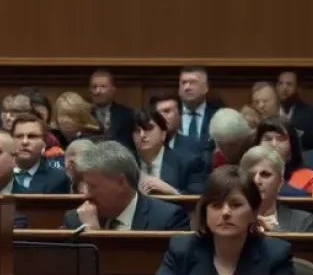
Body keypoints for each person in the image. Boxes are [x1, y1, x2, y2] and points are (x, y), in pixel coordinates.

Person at [154, 167, 295, 275]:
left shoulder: (276, 255)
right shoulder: (181, 250)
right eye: (216, 205)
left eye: (235, 205)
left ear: (254, 212)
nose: (226, 213)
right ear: (205, 213)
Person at [61, 141, 190, 231]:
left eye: (92, 186)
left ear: (120, 182)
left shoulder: (168, 219)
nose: (86, 194)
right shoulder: (76, 220)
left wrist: (95, 237)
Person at [239, 145, 313, 233]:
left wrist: (275, 230)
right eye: (251, 175)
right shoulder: (232, 218)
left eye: (265, 174)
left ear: (280, 182)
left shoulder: (304, 221)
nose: (257, 181)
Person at [131, 109, 205, 196]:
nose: (142, 135)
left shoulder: (189, 163)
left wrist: (173, 192)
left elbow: (197, 201)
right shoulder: (125, 164)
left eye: (148, 128)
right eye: (137, 130)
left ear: (163, 134)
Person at [255, 117, 313, 195]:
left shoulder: (310, 177)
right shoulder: (246, 175)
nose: (274, 144)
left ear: (292, 145)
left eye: (281, 139)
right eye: (268, 139)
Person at [10, 113, 71, 193]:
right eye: (19, 136)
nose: (24, 142)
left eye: (32, 136)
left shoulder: (59, 179)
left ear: (44, 143)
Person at [276, 70, 313, 149]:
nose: (284, 88)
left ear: (299, 89)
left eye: (289, 84)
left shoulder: (312, 114)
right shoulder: (269, 111)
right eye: (281, 84)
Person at [148, 90, 199, 158]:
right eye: (158, 113)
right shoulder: (144, 144)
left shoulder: (193, 147)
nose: (161, 116)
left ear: (179, 114)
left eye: (167, 111)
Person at [89, 69, 134, 145]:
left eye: (103, 87)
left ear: (113, 90)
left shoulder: (128, 115)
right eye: (94, 87)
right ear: (90, 90)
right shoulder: (84, 114)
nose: (98, 91)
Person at [178, 65, 220, 145]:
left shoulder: (217, 116)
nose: (187, 87)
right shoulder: (171, 115)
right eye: (183, 83)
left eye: (193, 82)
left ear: (205, 88)